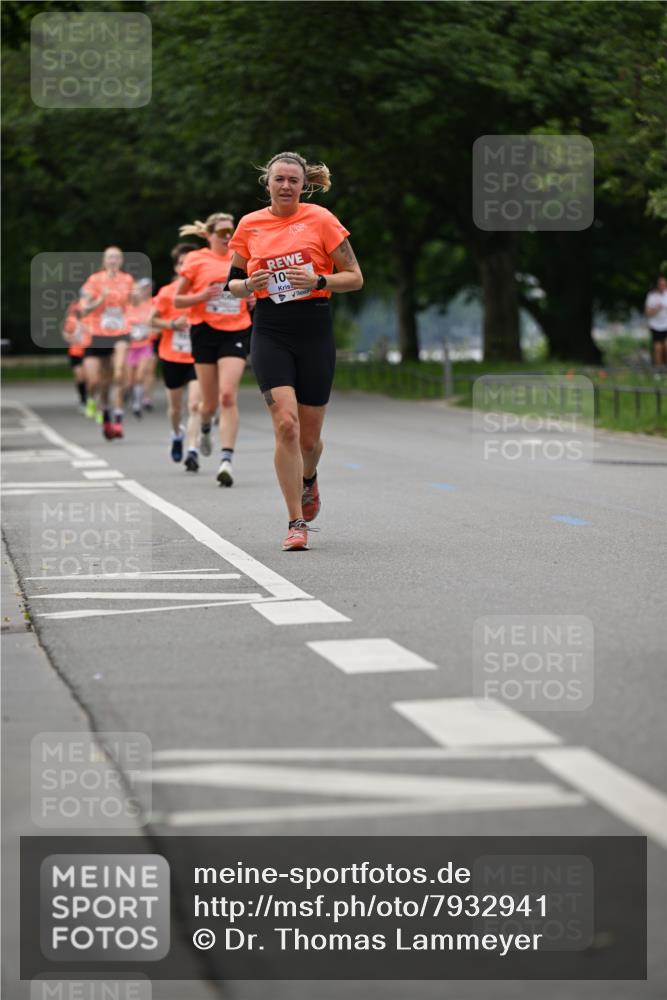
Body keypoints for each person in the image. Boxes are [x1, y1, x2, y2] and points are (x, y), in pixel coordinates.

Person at [227, 151, 363, 551]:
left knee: (308, 439)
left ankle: (309, 478)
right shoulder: (250, 225)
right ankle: (295, 521)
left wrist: (319, 278)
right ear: (266, 183)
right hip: (270, 329)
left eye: (293, 180)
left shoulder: (321, 220)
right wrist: (249, 285)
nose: (286, 186)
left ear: (305, 185)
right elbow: (231, 284)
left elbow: (355, 278)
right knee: (285, 425)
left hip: (314, 328)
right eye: (279, 179)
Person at [173, 213, 253, 486]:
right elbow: (178, 299)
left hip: (236, 329)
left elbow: (254, 288)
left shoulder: (244, 256)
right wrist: (200, 296)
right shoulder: (196, 259)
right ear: (209, 235)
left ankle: (226, 460)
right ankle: (205, 427)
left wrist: (252, 297)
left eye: (231, 230)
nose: (228, 236)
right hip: (204, 331)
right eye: (221, 232)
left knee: (228, 396)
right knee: (208, 404)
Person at [152, 243, 202, 470]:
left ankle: (192, 450)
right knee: (175, 409)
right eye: (182, 263)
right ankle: (176, 434)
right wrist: (172, 324)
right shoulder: (166, 293)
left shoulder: (203, 290)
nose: (186, 267)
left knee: (194, 406)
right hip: (171, 355)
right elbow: (150, 320)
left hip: (197, 356)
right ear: (176, 267)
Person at [80, 246, 134, 439]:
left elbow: (133, 304)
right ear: (104, 261)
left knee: (119, 374)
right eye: (110, 257)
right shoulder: (94, 280)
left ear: (121, 261)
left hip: (120, 332)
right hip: (98, 334)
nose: (113, 260)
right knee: (99, 381)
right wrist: (99, 300)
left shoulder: (127, 280)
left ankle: (118, 420)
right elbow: (84, 310)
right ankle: (105, 412)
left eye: (117, 258)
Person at [124, 278, 155, 417]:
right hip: (130, 347)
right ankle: (130, 394)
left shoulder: (149, 306)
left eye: (139, 290)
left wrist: (150, 331)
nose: (138, 293)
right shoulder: (126, 308)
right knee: (130, 379)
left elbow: (155, 324)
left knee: (141, 374)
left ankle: (138, 403)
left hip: (145, 345)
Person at [62, 298, 88, 413]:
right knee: (80, 377)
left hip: (89, 352)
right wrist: (73, 338)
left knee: (90, 377)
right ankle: (83, 400)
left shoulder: (90, 319)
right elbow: (66, 335)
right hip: (76, 352)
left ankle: (91, 398)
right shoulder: (71, 320)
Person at [644, 275, 667, 367]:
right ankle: (659, 370)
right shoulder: (652, 296)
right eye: (660, 284)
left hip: (666, 325)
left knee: (666, 347)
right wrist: (657, 308)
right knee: (657, 349)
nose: (662, 286)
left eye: (664, 284)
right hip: (655, 326)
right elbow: (647, 312)